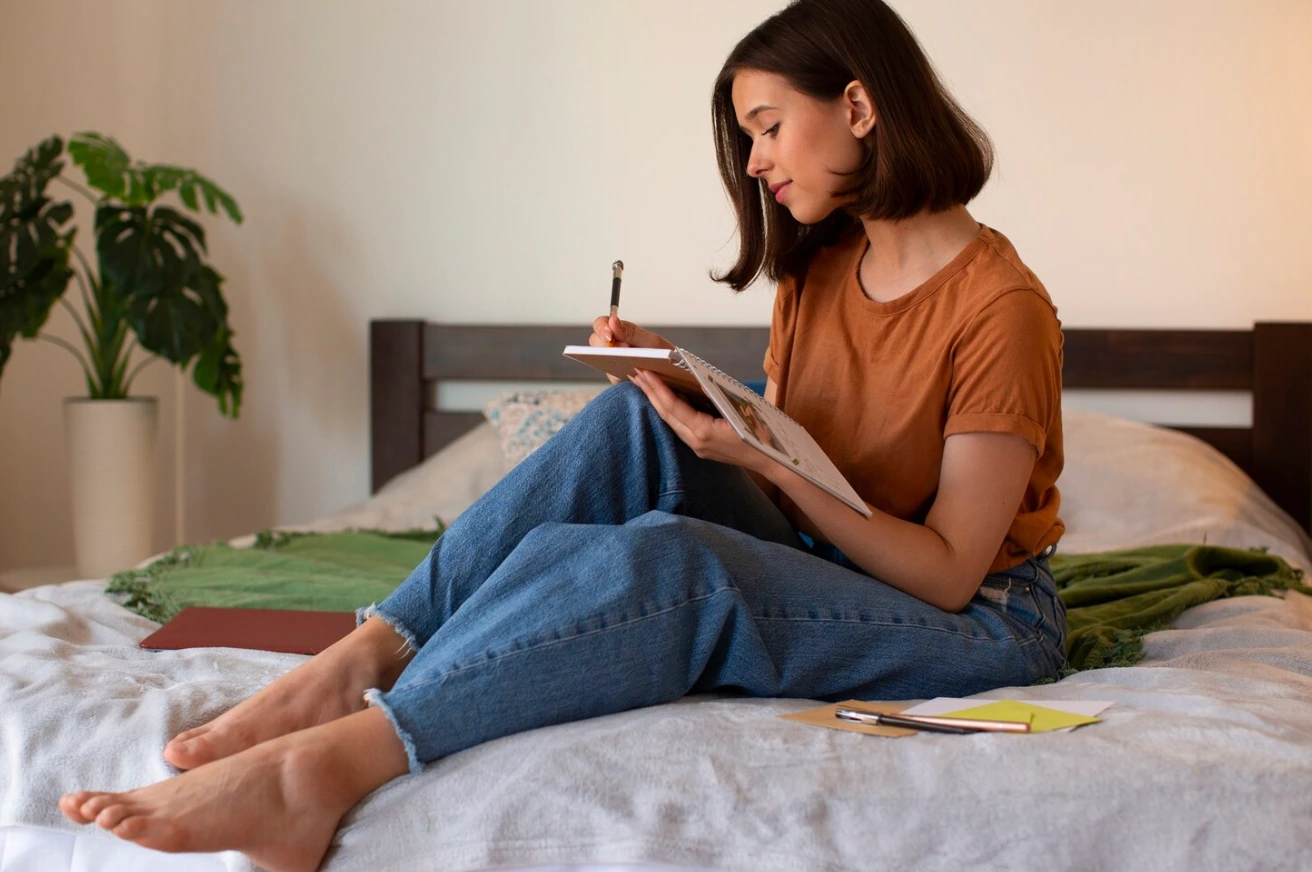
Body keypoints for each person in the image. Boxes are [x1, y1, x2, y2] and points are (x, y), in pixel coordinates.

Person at [58, 1, 1066, 870]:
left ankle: (321, 764)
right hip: (833, 555)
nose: (755, 162)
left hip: (976, 617)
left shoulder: (1000, 310)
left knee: (678, 562)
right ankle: (356, 658)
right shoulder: (819, 266)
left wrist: (757, 457)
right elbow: (816, 449)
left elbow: (941, 571)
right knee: (635, 418)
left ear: (857, 106)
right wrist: (689, 384)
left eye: (767, 127)